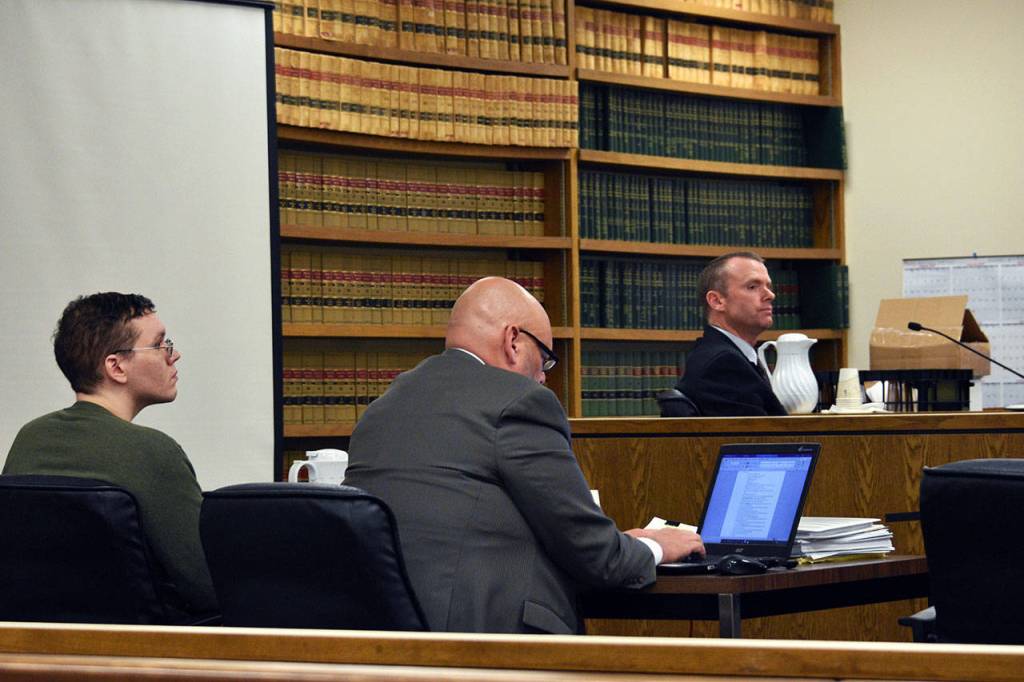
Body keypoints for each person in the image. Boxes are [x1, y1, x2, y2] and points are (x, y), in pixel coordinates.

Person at [344, 277, 704, 634]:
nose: (544, 378)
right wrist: (654, 546)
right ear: (513, 340)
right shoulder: (519, 401)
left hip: (381, 637)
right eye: (545, 360)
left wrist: (618, 542)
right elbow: (598, 558)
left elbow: (475, 526)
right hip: (492, 645)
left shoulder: (384, 406)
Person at [3, 292, 217, 618]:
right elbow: (207, 589)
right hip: (145, 657)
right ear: (116, 366)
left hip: (40, 651)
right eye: (160, 345)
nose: (173, 355)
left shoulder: (30, 437)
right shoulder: (155, 452)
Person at [676, 252, 788, 417]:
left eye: (768, 287)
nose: (770, 295)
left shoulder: (730, 355)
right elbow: (757, 440)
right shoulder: (723, 364)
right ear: (717, 301)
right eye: (752, 287)